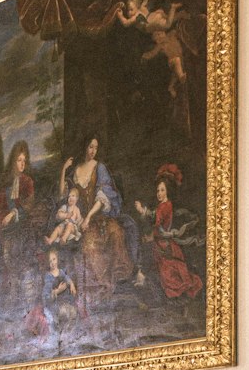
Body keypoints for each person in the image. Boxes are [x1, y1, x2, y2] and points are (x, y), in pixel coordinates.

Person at [59, 135, 142, 293]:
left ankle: (119, 277)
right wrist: (64, 169)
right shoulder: (75, 170)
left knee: (115, 232)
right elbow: (63, 195)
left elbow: (103, 195)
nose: (93, 151)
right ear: (84, 147)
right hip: (82, 219)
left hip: (98, 214)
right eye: (90, 146)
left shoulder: (100, 168)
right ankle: (98, 286)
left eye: (96, 147)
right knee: (88, 245)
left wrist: (89, 217)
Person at [135, 169, 203, 300]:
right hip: (160, 240)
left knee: (165, 272)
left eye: (162, 190)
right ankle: (143, 278)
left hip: (161, 242)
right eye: (158, 190)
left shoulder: (164, 206)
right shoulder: (166, 205)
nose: (159, 193)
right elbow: (155, 218)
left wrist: (142, 211)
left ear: (167, 191)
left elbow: (157, 223)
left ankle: (144, 280)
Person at [0, 141, 34, 242]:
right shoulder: (7, 180)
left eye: (24, 161)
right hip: (3, 215)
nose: (23, 164)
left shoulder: (28, 181)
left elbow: (28, 206)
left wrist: (13, 213)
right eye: (19, 160)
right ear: (14, 162)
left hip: (20, 217)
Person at [41, 249, 78, 333]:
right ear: (48, 264)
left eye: (54, 259)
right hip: (54, 302)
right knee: (63, 313)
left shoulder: (61, 271)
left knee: (73, 312)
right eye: (50, 261)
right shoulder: (48, 276)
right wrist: (58, 291)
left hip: (64, 300)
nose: (53, 263)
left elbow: (67, 278)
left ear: (57, 259)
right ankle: (59, 330)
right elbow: (47, 296)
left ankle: (68, 331)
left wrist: (71, 285)